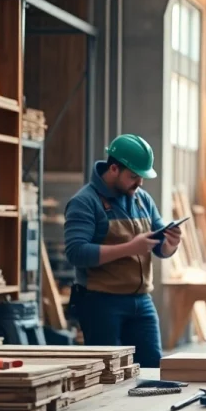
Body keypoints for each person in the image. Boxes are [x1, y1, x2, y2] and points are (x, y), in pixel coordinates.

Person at [63, 134, 181, 368]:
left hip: (142, 301)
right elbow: (76, 253)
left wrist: (171, 245)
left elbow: (159, 248)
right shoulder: (85, 202)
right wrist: (130, 248)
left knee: (153, 370)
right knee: (108, 374)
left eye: (142, 177)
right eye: (134, 177)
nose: (139, 183)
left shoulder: (142, 200)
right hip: (101, 303)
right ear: (114, 168)